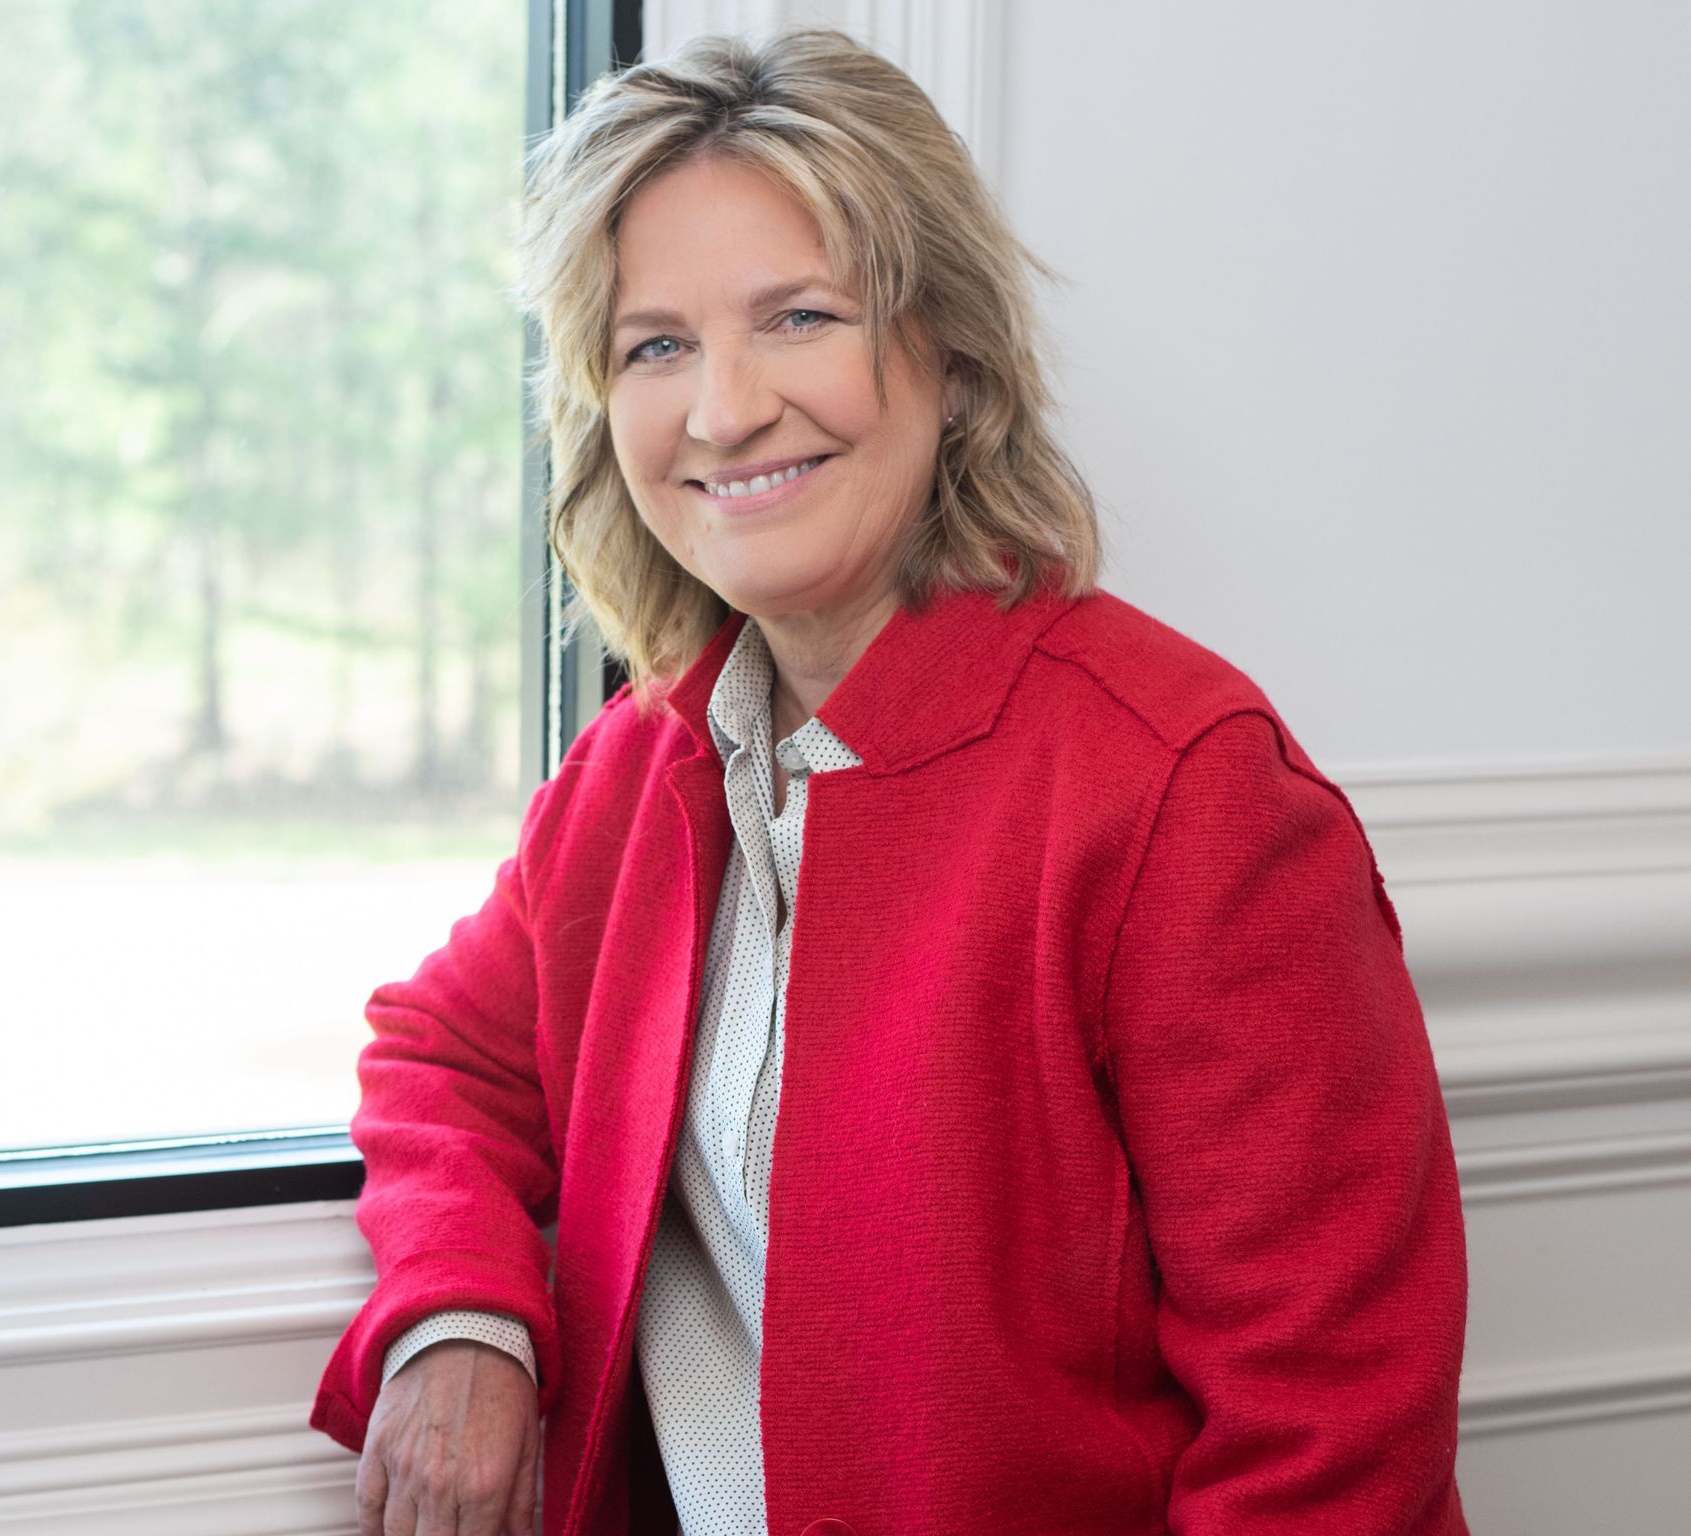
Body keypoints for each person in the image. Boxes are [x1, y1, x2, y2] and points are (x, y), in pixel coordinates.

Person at [311, 27, 1470, 1536]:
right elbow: (439, 1060)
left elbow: (1333, 1447)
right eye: (656, 344)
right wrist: (462, 1316)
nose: (723, 410)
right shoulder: (641, 767)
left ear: (951, 349)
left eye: (796, 318)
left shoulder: (1185, 792)